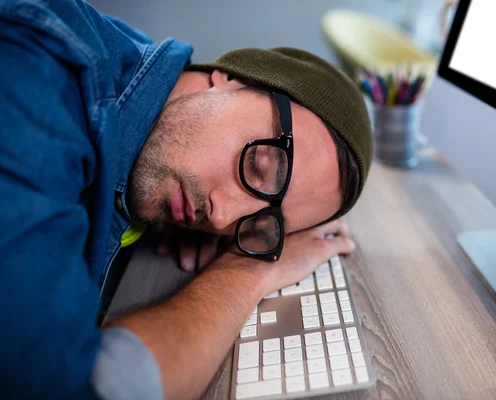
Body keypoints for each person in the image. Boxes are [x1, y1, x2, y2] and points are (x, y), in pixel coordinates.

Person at [0, 0, 373, 399]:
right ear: (231, 78)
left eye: (263, 221)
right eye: (261, 169)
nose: (221, 217)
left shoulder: (146, 91)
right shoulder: (38, 80)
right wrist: (245, 274)